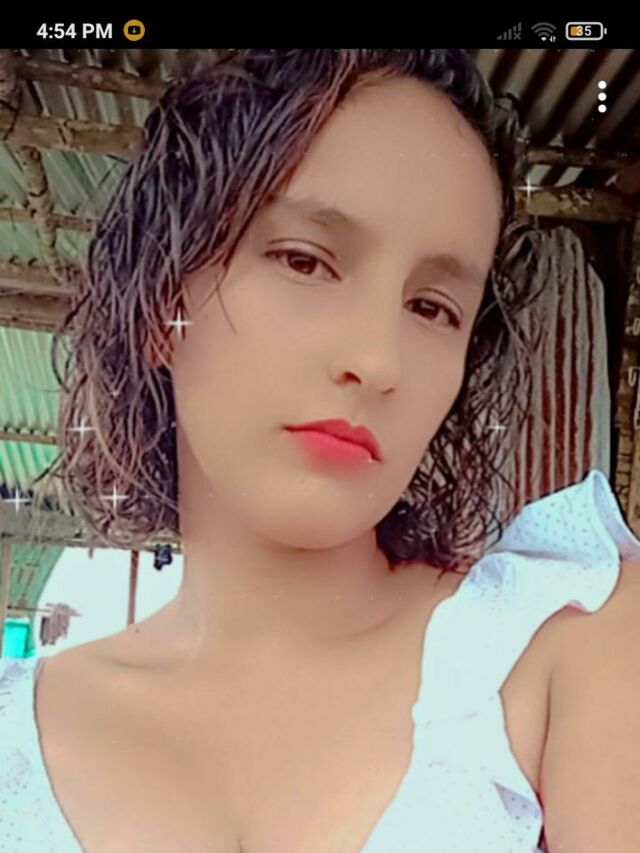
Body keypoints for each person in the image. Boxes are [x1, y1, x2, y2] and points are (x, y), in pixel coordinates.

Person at [2, 48, 640, 852]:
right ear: (163, 303)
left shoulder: (568, 641)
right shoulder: (16, 730)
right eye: (305, 260)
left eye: (433, 307)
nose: (377, 359)